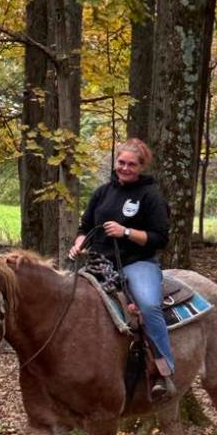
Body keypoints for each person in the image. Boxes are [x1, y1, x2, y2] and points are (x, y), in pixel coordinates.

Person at [68, 138, 175, 399]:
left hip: (137, 263)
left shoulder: (150, 196)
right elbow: (85, 226)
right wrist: (80, 244)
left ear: (141, 167)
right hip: (100, 263)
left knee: (149, 306)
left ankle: (163, 371)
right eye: (121, 162)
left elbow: (160, 238)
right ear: (115, 162)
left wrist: (125, 231)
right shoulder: (103, 193)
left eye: (131, 164)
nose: (124, 168)